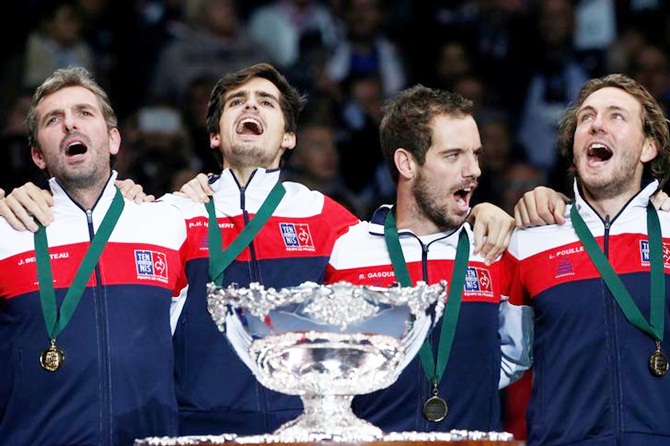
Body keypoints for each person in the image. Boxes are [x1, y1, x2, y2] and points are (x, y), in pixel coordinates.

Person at [0, 63, 515, 437]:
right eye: (236, 103)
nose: (251, 107)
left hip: (303, 429)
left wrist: (485, 214)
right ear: (214, 137)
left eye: (266, 103)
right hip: (200, 428)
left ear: (288, 136)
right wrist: (25, 196)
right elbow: (99, 220)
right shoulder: (169, 217)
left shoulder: (332, 222)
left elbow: (412, 238)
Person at [324, 84, 532, 433]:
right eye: (453, 156)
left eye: (475, 154)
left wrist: (465, 389)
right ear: (407, 163)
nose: (474, 170)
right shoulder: (346, 251)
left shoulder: (493, 248)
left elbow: (514, 356)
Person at [0, 67, 188, 445]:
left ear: (114, 139)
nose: (70, 124)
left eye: (84, 113)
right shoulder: (8, 230)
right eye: (54, 120)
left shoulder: (168, 223)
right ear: (38, 155)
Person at [503, 73, 670, 445]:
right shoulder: (529, 240)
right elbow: (503, 360)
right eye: (586, 118)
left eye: (616, 116)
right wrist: (484, 214)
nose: (597, 124)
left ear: (648, 147)